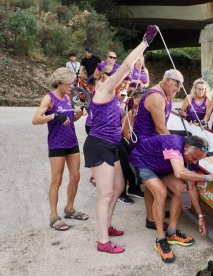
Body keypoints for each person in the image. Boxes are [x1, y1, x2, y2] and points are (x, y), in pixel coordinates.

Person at [82, 25, 158, 254]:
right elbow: (126, 66)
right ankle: (102, 241)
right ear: (101, 79)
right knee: (105, 194)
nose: (119, 81)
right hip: (99, 146)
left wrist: (126, 106)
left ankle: (107, 226)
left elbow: (118, 120)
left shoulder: (113, 97)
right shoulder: (103, 90)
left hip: (111, 145)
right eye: (111, 77)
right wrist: (145, 43)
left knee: (118, 188)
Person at [129, 134, 213, 263]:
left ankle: (171, 233)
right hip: (143, 162)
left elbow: (191, 187)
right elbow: (179, 172)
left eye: (197, 160)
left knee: (181, 189)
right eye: (194, 158)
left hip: (162, 168)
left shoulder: (193, 156)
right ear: (186, 146)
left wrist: (200, 216)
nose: (195, 162)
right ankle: (160, 240)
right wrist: (206, 178)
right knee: (161, 192)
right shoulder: (173, 142)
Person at [32, 67, 88, 231]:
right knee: (56, 180)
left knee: (75, 177)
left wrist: (80, 112)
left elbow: (71, 118)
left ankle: (69, 209)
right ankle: (54, 216)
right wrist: (54, 116)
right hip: (56, 144)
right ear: (60, 83)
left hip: (72, 142)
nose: (71, 86)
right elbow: (35, 120)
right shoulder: (49, 98)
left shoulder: (68, 97)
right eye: (69, 83)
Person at [132, 68, 184, 230]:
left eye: (180, 86)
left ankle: (151, 218)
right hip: (146, 146)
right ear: (167, 80)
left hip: (153, 143)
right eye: (176, 85)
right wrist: (176, 151)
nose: (178, 89)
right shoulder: (156, 97)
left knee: (152, 185)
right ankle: (155, 220)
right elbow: (162, 129)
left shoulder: (165, 95)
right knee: (159, 188)